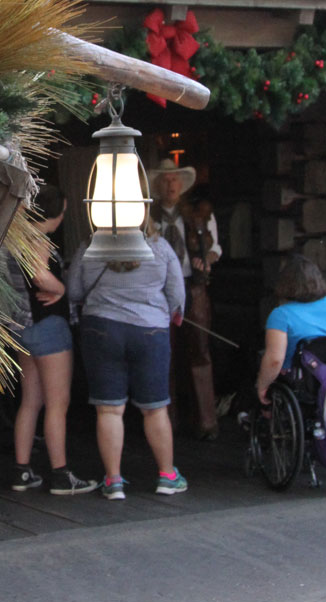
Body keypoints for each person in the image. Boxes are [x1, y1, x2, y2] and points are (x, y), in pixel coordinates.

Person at [67, 218, 186, 500]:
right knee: (156, 408)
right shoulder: (161, 248)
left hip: (101, 329)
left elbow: (73, 291)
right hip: (151, 331)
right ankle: (167, 476)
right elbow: (177, 297)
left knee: (109, 410)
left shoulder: (89, 247)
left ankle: (114, 481)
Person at [8, 185, 97, 496]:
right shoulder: (37, 239)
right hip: (48, 326)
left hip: (23, 327)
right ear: (58, 213)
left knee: (30, 401)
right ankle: (60, 473)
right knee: (58, 403)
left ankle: (22, 470)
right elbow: (39, 275)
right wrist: (59, 289)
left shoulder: (14, 237)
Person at [149, 161, 222, 439]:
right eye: (165, 181)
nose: (170, 185)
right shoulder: (146, 215)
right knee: (162, 353)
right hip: (158, 291)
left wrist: (206, 260)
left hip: (193, 288)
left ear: (181, 184)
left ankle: (206, 422)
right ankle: (166, 422)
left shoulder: (199, 215)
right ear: (158, 185)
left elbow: (215, 248)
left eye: (174, 180)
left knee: (200, 351)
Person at [256, 254, 326, 407]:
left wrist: (262, 386)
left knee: (261, 362)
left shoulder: (281, 315)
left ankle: (266, 414)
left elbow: (275, 360)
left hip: (301, 380)